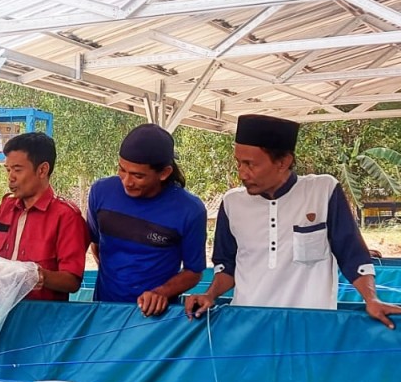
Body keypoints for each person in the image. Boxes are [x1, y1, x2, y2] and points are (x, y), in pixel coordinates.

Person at [185, 114, 400, 327]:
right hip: (249, 325)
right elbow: (227, 266)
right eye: (238, 163)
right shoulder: (232, 203)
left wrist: (371, 299)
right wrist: (210, 295)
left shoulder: (323, 191)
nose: (242, 173)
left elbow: (352, 255)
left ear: (283, 162)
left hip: (312, 325)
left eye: (250, 164)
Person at [87, 123, 207, 316]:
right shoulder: (100, 192)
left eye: (138, 175)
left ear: (164, 173)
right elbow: (95, 244)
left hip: (154, 321)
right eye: (122, 170)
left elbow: (193, 272)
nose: (127, 181)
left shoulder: (190, 210)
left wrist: (161, 292)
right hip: (104, 313)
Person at [0, 131, 87, 300]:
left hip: (41, 318)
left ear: (42, 170)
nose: (11, 178)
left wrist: (40, 276)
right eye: (8, 170)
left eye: (17, 169)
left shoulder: (66, 216)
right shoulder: (6, 208)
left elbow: (72, 281)